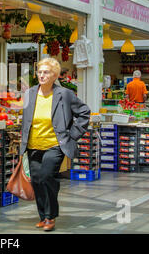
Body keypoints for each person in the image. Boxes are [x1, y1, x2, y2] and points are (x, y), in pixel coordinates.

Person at [20, 58, 91, 232]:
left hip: (55, 145)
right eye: (40, 72)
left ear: (55, 76)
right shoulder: (30, 93)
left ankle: (51, 216)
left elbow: (84, 113)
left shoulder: (64, 94)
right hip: (33, 145)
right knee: (36, 181)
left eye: (46, 72)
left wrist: (72, 135)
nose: (42, 75)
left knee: (46, 177)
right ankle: (43, 216)